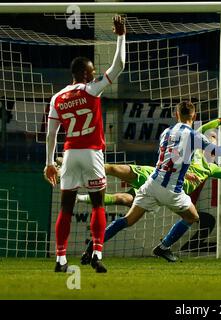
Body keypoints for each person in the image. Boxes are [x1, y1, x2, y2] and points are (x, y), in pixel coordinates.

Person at [75, 113, 221, 263]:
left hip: (156, 185)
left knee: (127, 209)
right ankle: (84, 172)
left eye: (215, 139)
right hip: (164, 183)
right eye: (211, 138)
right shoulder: (196, 151)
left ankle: (93, 244)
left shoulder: (211, 168)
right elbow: (203, 130)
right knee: (118, 174)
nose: (212, 140)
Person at [43, 15, 126, 273]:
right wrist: (121, 36)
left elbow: (50, 135)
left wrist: (48, 163)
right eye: (91, 71)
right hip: (92, 154)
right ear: (83, 73)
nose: (93, 74)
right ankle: (97, 253)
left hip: (68, 155)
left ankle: (60, 259)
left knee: (65, 208)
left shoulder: (57, 98)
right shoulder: (91, 90)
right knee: (98, 203)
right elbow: (119, 66)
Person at [103, 100, 221, 263]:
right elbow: (217, 151)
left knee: (127, 220)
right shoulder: (194, 136)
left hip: (153, 182)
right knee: (192, 217)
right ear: (195, 116)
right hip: (171, 189)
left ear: (176, 114)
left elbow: (170, 157)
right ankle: (163, 247)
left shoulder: (166, 132)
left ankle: (95, 246)